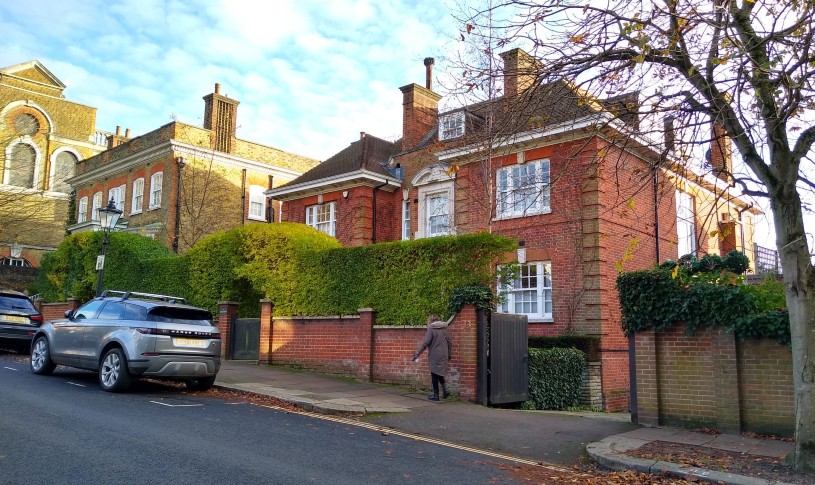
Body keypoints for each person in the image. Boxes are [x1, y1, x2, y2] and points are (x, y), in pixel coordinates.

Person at [412, 313, 452, 401]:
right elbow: (449, 342)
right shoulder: (444, 328)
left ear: (430, 320)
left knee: (434, 373)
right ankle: (445, 389)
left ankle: (436, 395)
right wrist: (449, 354)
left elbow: (426, 343)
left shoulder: (431, 328)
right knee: (439, 372)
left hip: (435, 354)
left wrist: (417, 353)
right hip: (444, 354)